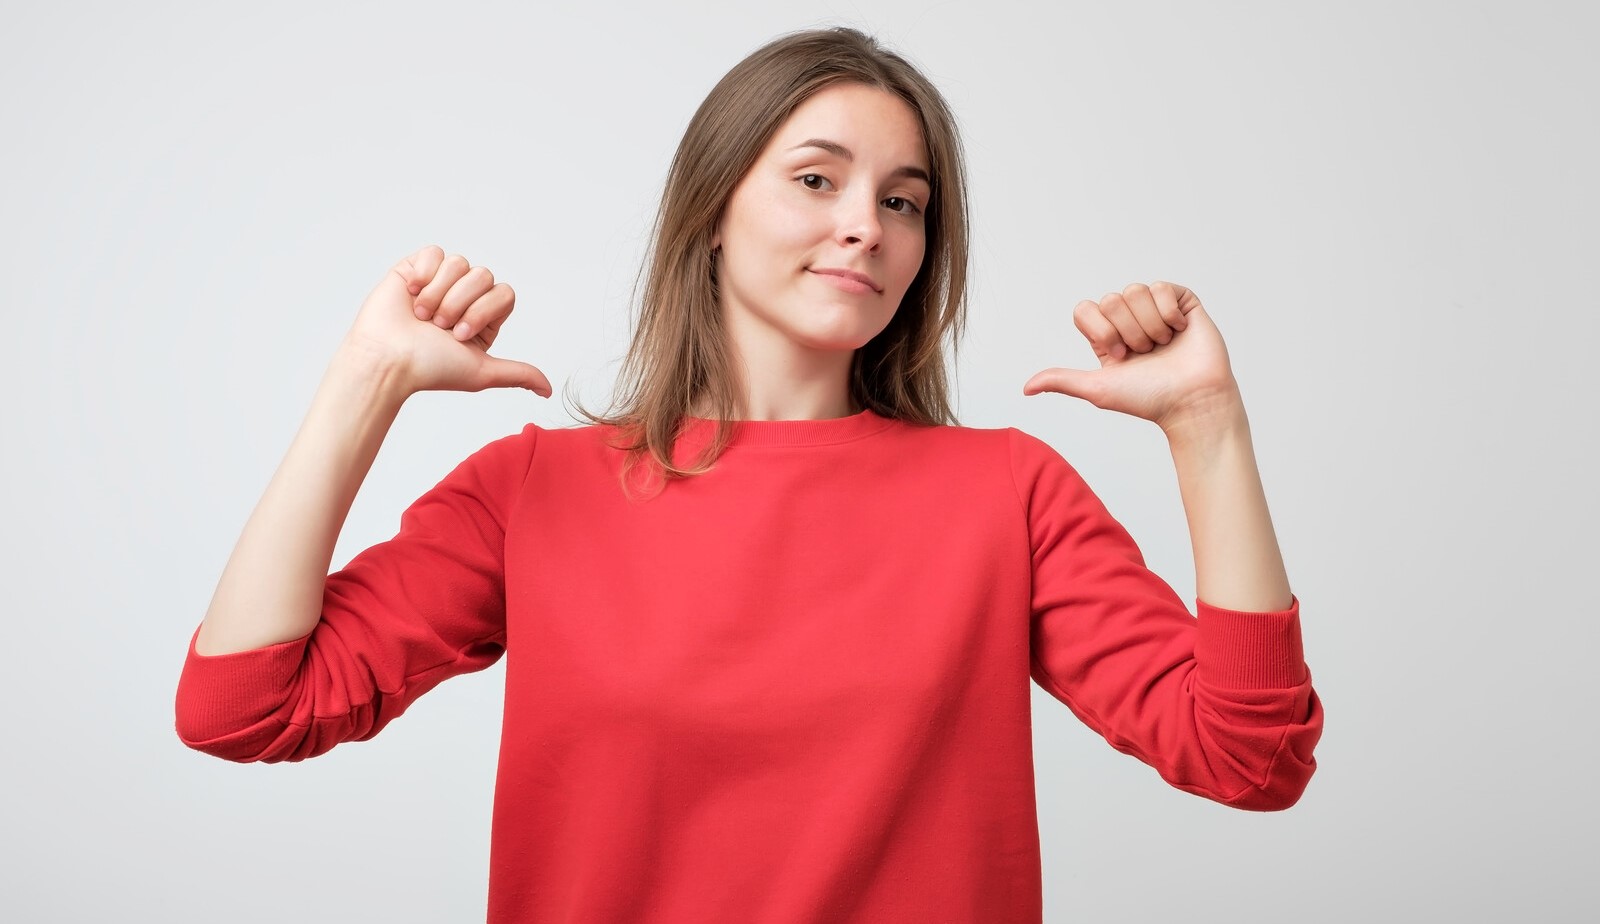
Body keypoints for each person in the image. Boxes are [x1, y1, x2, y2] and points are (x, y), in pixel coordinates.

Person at [175, 26, 1322, 923]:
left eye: (902, 201)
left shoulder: (1005, 494)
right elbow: (242, 709)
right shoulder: (533, 490)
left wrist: (1208, 428)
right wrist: (363, 385)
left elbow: (1248, 758)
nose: (865, 227)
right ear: (714, 209)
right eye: (816, 181)